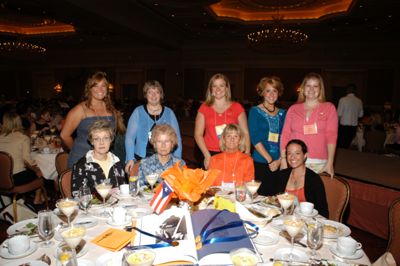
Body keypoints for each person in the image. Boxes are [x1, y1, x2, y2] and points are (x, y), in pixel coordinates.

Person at [280, 72, 338, 177]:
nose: (311, 89)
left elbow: (331, 135)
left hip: (318, 162)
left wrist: (330, 162)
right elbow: (285, 134)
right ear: (303, 88)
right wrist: (283, 160)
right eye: (308, 85)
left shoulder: (329, 108)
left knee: (314, 192)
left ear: (320, 89)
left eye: (315, 86)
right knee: (294, 192)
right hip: (295, 160)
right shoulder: (293, 109)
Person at [61, 71, 116, 168]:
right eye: (95, 86)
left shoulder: (110, 109)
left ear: (107, 89)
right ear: (89, 89)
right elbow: (64, 135)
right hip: (82, 161)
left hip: (104, 160)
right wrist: (76, 150)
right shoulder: (80, 109)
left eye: (103, 86)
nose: (100, 89)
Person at [260, 139, 329, 217]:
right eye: (289, 153)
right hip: (282, 219)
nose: (293, 157)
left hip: (305, 223)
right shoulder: (282, 175)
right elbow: (268, 197)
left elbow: (323, 212)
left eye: (297, 153)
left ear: (305, 155)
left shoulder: (313, 179)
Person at [194, 73, 250, 169]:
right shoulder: (204, 108)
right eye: (214, 86)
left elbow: (245, 132)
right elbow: (198, 134)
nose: (218, 89)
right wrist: (207, 156)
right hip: (210, 153)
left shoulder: (237, 107)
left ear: (227, 88)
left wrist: (247, 153)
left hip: (232, 152)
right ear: (210, 89)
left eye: (221, 85)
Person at [125, 80, 182, 174]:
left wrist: (178, 160)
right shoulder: (138, 112)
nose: (153, 95)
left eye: (157, 92)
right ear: (145, 95)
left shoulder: (169, 113)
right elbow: (130, 138)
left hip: (165, 158)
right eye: (150, 92)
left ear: (161, 94)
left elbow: (177, 138)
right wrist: (130, 158)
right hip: (142, 158)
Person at [248, 76, 286, 187]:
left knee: (277, 197)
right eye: (268, 90)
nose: (271, 94)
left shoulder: (284, 113)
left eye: (275, 91)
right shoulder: (255, 111)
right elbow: (255, 138)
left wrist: (279, 160)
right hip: (261, 161)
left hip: (280, 162)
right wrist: (270, 160)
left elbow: (286, 138)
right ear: (262, 93)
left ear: (278, 93)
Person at [71, 120, 125, 196]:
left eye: (106, 138)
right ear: (91, 141)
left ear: (111, 140)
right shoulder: (81, 166)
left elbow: (123, 190)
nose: (101, 143)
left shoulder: (117, 162)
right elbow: (77, 197)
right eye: (97, 139)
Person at [0, 111, 44, 204]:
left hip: (2, 177)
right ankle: (37, 198)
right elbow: (27, 161)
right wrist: (37, 168)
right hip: (15, 178)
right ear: (19, 122)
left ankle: (23, 200)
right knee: (40, 173)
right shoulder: (23, 138)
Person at [138, 123, 185, 188]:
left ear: (172, 144)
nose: (163, 145)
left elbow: (184, 188)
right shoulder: (144, 164)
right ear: (154, 144)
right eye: (159, 141)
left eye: (167, 141)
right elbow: (140, 189)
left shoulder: (180, 164)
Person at [208, 124, 254, 189]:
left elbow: (249, 186)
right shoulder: (214, 160)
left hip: (239, 197)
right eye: (228, 136)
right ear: (224, 139)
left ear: (240, 140)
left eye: (236, 136)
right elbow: (211, 185)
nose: (232, 139)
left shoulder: (247, 160)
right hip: (218, 197)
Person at [337, 84, 363, 148]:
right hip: (354, 126)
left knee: (341, 144)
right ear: (355, 91)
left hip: (344, 126)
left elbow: (339, 114)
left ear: (347, 90)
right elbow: (361, 115)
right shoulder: (359, 101)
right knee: (348, 143)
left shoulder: (342, 100)